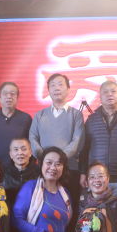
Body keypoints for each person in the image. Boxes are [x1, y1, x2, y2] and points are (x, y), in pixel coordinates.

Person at [12, 147, 73, 232]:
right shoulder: (30, 187)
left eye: (58, 164)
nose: (53, 167)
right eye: (49, 162)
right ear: (41, 164)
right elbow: (17, 220)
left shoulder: (65, 193)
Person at [29, 73, 85, 201]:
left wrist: (59, 160)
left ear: (68, 89)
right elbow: (33, 137)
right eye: (53, 85)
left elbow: (77, 141)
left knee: (70, 204)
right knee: (45, 204)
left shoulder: (76, 115)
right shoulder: (40, 115)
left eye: (60, 84)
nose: (57, 88)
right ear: (48, 90)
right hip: (45, 170)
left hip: (69, 170)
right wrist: (45, 159)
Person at [81, 80, 117, 196]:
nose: (109, 94)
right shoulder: (92, 120)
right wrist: (83, 172)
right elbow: (84, 149)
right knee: (98, 208)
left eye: (113, 91)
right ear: (100, 97)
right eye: (105, 92)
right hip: (97, 179)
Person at [0, 82, 33, 168]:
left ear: (17, 97)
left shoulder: (26, 118)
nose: (9, 97)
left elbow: (31, 146)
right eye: (5, 93)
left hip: (19, 168)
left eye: (12, 94)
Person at [3, 138, 40, 203]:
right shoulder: (2, 173)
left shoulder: (39, 172)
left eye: (24, 149)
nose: (20, 153)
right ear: (10, 154)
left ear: (30, 152)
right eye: (16, 149)